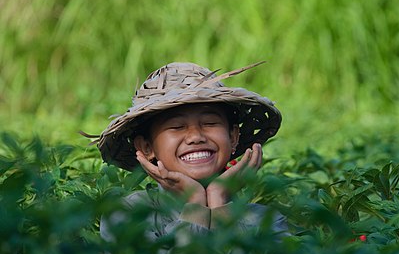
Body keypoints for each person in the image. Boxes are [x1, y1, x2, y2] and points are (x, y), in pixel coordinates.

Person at [95, 61, 288, 241]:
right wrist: (195, 203)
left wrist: (219, 200)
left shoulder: (266, 220)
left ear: (233, 137)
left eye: (210, 123)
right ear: (146, 147)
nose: (196, 136)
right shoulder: (126, 214)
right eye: (177, 126)